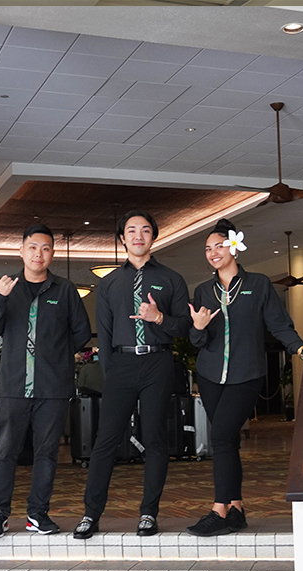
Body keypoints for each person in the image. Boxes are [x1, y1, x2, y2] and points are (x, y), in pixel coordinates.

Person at [186, 219, 303, 537]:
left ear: (233, 247)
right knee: (228, 441)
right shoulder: (204, 290)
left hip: (246, 375)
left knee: (220, 437)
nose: (212, 253)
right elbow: (198, 342)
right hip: (210, 375)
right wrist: (197, 328)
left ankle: (219, 509)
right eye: (207, 249)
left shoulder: (258, 285)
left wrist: (300, 348)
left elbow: (279, 325)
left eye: (218, 246)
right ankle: (236, 508)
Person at [73, 210, 192, 539]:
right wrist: (111, 374)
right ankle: (90, 514)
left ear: (153, 236)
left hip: (158, 362)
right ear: (122, 238)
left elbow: (183, 326)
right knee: (105, 441)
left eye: (145, 230)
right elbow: (105, 335)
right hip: (122, 365)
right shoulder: (110, 282)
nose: (138, 235)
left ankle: (148, 513)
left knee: (155, 439)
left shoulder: (171, 279)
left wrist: (158, 319)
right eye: (131, 230)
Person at [0, 224, 91, 538]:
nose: (38, 254)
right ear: (22, 251)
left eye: (44, 248)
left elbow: (81, 332)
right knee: (5, 451)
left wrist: (56, 355)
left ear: (52, 254)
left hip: (52, 388)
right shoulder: (7, 288)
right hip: (13, 386)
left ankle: (37, 514)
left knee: (47, 453)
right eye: (32, 247)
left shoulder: (65, 290)